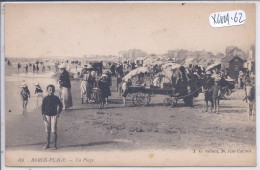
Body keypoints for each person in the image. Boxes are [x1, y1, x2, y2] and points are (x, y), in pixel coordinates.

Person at [42, 84, 63, 149]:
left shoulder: (56, 98)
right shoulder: (45, 98)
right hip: (46, 116)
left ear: (54, 91)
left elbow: (61, 106)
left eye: (52, 90)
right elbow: (42, 107)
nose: (51, 91)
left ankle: (55, 145)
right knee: (47, 131)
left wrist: (58, 113)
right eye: (49, 90)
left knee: (54, 131)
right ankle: (47, 144)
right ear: (47, 90)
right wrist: (43, 114)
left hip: (54, 116)